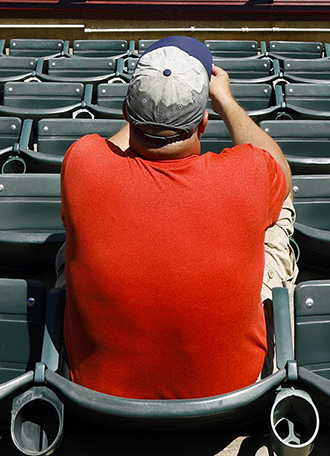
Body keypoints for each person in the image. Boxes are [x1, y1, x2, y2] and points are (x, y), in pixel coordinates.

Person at [58, 37, 293, 400]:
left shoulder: (82, 162)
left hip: (98, 395)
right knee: (280, 210)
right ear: (203, 123)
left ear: (125, 113)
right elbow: (280, 168)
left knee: (69, 241)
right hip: (231, 395)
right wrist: (226, 99)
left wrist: (148, 108)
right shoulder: (249, 172)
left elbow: (116, 147)